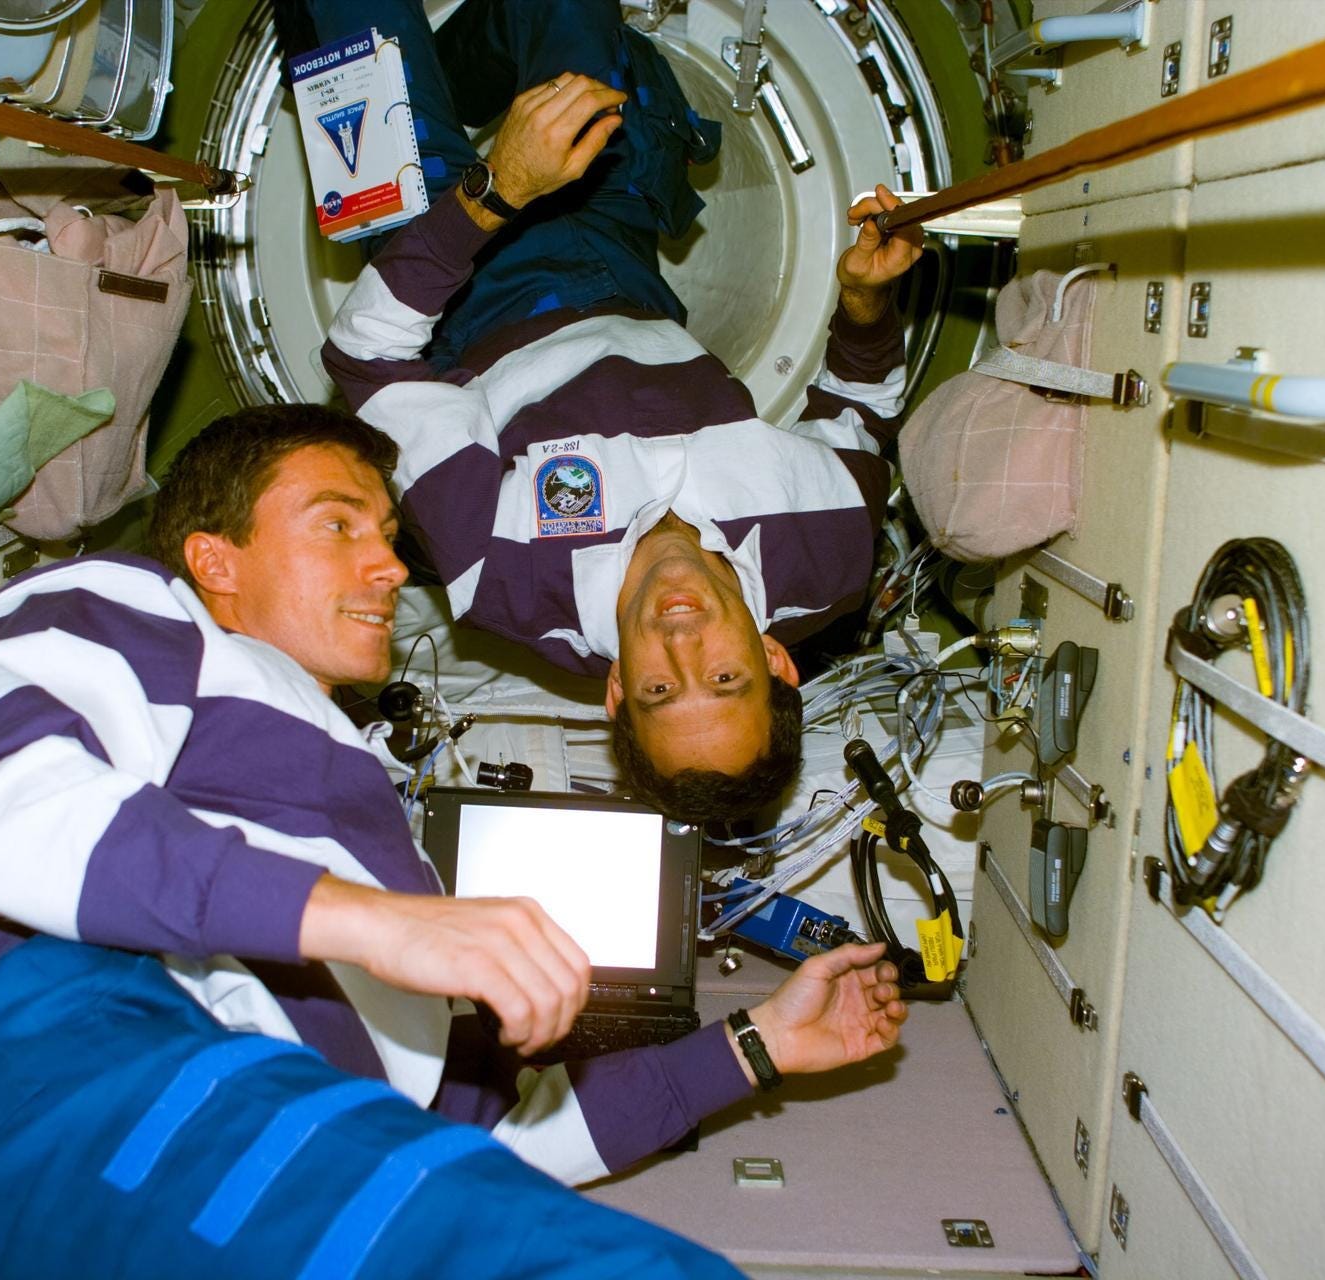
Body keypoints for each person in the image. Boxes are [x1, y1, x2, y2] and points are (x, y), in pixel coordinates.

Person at [0, 405, 907, 1253]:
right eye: (338, 525)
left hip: (284, 1128)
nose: (387, 565)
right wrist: (378, 925)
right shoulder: (127, 607)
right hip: (80, 1052)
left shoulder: (360, 800)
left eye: (385, 535)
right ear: (214, 559)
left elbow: (503, 1141)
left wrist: (759, 1043)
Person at [288, 0, 925, 822]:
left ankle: (401, 81)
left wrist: (498, 188)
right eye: (726, 678)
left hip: (465, 282)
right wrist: (868, 304)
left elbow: (368, 354)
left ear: (620, 691)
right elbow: (861, 413)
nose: (682, 637)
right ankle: (438, 76)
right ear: (777, 662)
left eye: (662, 687)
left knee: (356, 19)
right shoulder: (830, 548)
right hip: (625, 261)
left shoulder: (502, 574)